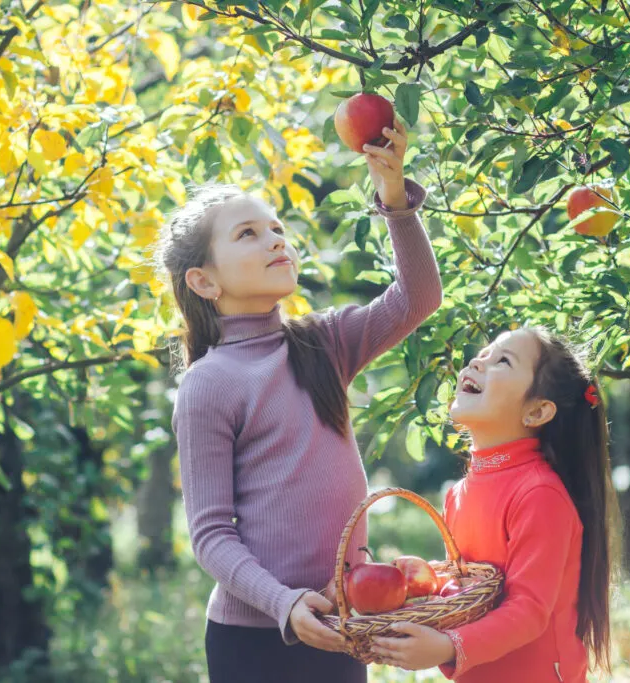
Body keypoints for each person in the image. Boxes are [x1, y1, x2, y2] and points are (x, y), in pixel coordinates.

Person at [156, 120, 442, 683]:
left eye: (277, 228)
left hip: (340, 622)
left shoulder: (322, 342)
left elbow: (418, 297)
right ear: (205, 282)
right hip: (254, 641)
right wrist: (284, 603)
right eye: (248, 235)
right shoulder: (208, 383)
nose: (276, 241)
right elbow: (211, 535)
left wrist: (394, 199)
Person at [371, 326, 618, 682]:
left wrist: (447, 646)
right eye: (484, 352)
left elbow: (529, 610)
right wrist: (413, 586)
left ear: (536, 412)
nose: (477, 361)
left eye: (502, 360)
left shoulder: (539, 494)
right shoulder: (459, 494)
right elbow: (470, 587)